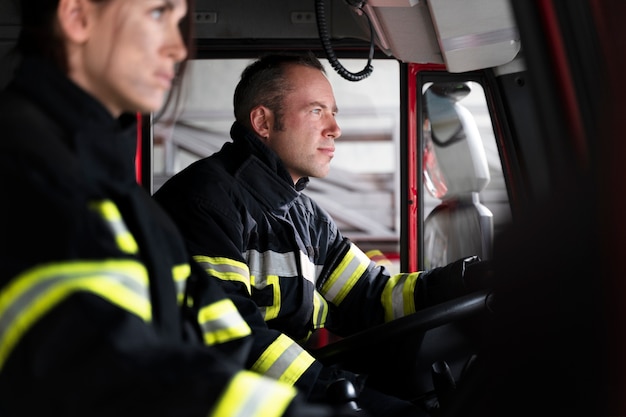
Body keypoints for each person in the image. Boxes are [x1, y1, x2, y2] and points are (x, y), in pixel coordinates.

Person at [0, 2, 360, 416]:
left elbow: (222, 338)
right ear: (78, 16)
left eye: (178, 22)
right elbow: (116, 376)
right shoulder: (28, 170)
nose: (177, 47)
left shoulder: (114, 189)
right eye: (158, 14)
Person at [153, 52, 489, 416]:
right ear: (263, 122)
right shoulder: (205, 203)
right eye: (316, 111)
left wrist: (468, 278)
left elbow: (375, 297)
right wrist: (339, 393)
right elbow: (235, 341)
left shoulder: (306, 217)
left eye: (334, 113)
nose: (335, 129)